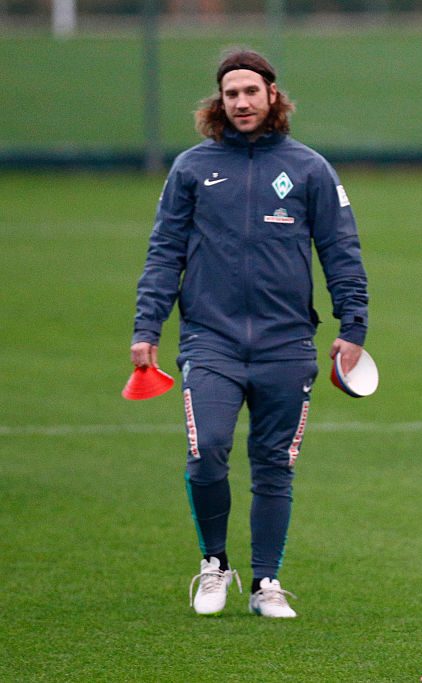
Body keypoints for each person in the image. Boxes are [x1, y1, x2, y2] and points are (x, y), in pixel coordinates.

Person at [131, 49, 369, 618]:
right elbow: (164, 252)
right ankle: (215, 566)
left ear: (272, 96)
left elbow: (341, 251)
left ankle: (267, 583)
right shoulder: (192, 168)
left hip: (287, 343)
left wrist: (353, 326)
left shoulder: (311, 169)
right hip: (209, 340)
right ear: (220, 101)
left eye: (251, 92)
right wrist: (148, 326)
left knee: (273, 465)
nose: (240, 102)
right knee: (207, 449)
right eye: (231, 94)